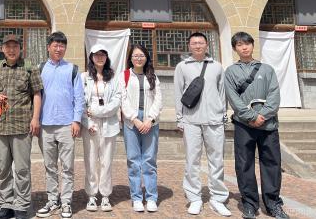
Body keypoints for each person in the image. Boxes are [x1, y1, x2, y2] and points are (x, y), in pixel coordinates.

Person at [224, 32, 289, 219]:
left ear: (253, 45)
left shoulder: (267, 70)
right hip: (244, 125)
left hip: (268, 125)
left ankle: (273, 204)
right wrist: (251, 117)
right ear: (235, 48)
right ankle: (250, 204)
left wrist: (263, 116)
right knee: (244, 164)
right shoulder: (231, 72)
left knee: (272, 164)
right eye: (239, 45)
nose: (244, 47)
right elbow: (233, 99)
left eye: (247, 43)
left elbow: (274, 96)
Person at [174, 32, 231, 216]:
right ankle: (194, 198)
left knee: (217, 161)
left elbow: (222, 92)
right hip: (191, 120)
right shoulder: (182, 67)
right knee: (192, 161)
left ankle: (218, 198)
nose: (197, 46)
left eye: (200, 42)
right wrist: (180, 118)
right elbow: (178, 93)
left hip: (214, 120)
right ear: (189, 46)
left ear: (207, 45)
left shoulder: (217, 66)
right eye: (194, 43)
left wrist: (223, 115)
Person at [0, 34, 42, 219]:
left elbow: (37, 94)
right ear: (3, 49)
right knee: (3, 169)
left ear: (20, 48)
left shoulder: (29, 68)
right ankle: (6, 205)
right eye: (8, 47)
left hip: (22, 127)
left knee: (21, 169)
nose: (11, 50)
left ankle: (22, 206)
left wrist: (35, 118)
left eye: (15, 46)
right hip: (1, 126)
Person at [36, 32, 85, 219]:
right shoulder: (40, 68)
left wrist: (76, 120)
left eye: (62, 45)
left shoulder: (72, 69)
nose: (59, 49)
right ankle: (52, 200)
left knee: (67, 167)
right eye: (55, 45)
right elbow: (35, 95)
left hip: (66, 125)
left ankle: (66, 202)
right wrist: (35, 120)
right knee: (49, 166)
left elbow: (79, 97)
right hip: (46, 124)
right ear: (48, 47)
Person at [120, 44, 163, 213]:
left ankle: (151, 197)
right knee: (133, 160)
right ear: (130, 58)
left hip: (150, 120)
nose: (138, 58)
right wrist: (134, 119)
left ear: (146, 58)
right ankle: (137, 197)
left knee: (149, 160)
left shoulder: (153, 76)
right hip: (132, 121)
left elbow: (158, 99)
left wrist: (149, 119)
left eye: (141, 56)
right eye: (135, 56)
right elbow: (122, 99)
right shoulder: (124, 76)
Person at [81, 44, 121, 213]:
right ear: (91, 57)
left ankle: (105, 195)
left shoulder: (113, 77)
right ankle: (91, 195)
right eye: (96, 55)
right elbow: (80, 102)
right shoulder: (84, 77)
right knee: (90, 161)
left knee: (106, 162)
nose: (100, 57)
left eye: (103, 54)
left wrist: (98, 111)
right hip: (90, 124)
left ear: (107, 57)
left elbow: (117, 100)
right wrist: (87, 122)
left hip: (109, 123)